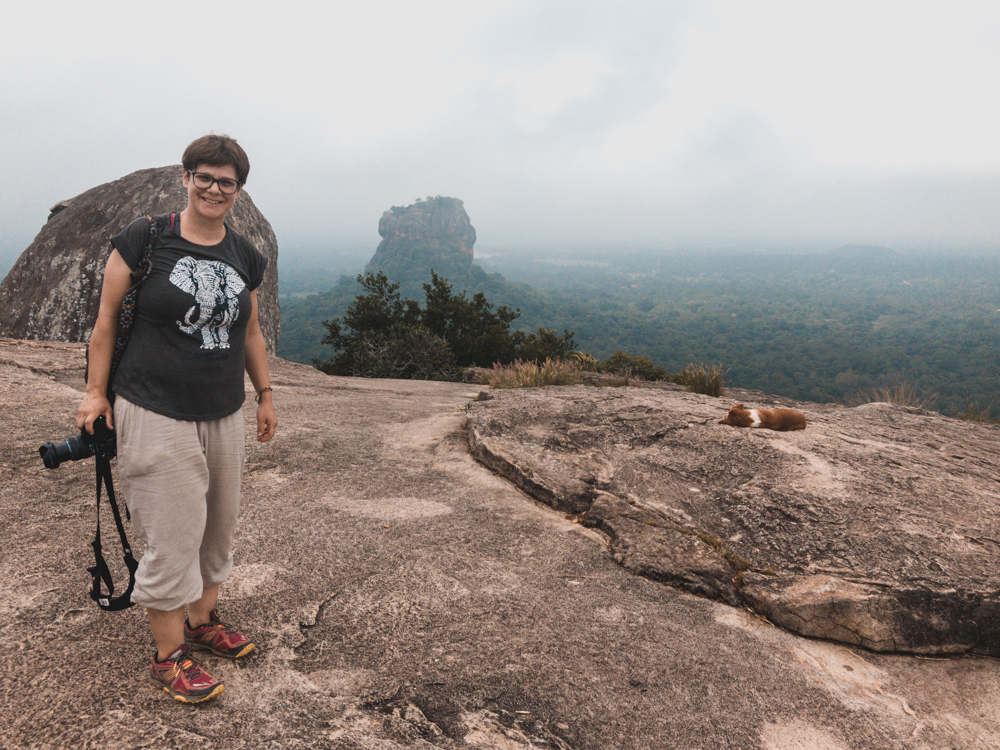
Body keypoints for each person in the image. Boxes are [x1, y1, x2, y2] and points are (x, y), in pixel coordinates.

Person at [76, 134, 277, 704]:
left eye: (227, 181)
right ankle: (169, 656)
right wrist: (95, 393)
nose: (215, 188)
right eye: (205, 177)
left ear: (238, 190)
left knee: (218, 524)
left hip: (222, 409)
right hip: (152, 405)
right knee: (171, 530)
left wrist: (264, 393)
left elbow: (252, 331)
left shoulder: (244, 255)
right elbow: (107, 319)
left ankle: (202, 620)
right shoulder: (146, 238)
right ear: (186, 178)